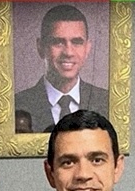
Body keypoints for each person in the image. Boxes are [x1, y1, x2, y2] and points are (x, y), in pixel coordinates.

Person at [14, 4, 109, 134]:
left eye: (76, 42)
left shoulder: (108, 102)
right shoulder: (16, 105)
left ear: (87, 48)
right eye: (58, 42)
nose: (68, 52)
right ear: (40, 47)